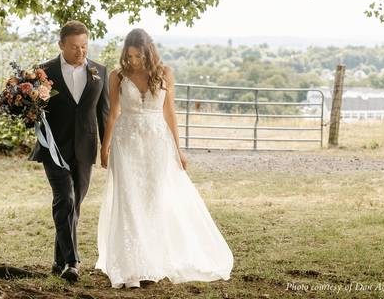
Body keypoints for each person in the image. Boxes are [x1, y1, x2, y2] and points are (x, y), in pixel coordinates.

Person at [96, 28, 234, 288]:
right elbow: (112, 113)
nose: (133, 60)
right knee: (129, 201)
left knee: (152, 199)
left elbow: (170, 113)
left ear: (148, 51)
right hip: (126, 143)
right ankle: (130, 269)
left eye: (138, 55)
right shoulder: (117, 76)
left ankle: (151, 262)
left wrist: (178, 149)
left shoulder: (165, 73)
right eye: (130, 55)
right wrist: (105, 147)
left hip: (157, 143)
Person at [28, 20, 110, 283]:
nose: (81, 52)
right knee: (65, 198)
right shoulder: (42, 71)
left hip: (85, 148)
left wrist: (108, 147)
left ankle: (58, 260)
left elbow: (104, 113)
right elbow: (33, 112)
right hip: (53, 148)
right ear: (61, 45)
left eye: (84, 46)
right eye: (75, 47)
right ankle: (73, 262)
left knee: (73, 206)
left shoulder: (99, 71)